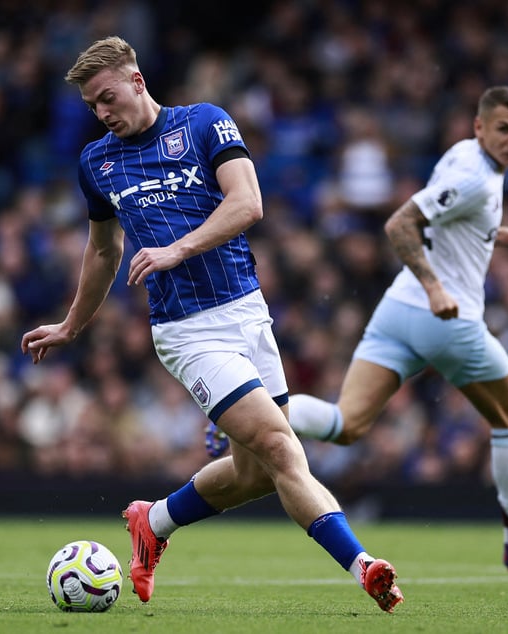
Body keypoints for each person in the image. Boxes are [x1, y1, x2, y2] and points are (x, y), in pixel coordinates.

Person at [20, 36, 403, 613]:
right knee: (281, 446)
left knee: (254, 473)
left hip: (248, 312)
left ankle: (155, 520)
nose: (101, 114)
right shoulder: (96, 162)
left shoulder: (203, 124)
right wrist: (72, 326)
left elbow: (248, 202)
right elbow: (103, 251)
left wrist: (176, 248)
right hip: (186, 330)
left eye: (106, 98)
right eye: (92, 106)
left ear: (137, 82)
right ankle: (364, 566)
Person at [281, 85, 508, 571]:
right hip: (445, 319)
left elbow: (451, 219)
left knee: (345, 423)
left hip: (397, 311)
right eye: (504, 128)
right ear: (480, 127)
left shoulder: (465, 157)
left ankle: (252, 416)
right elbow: (400, 225)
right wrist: (436, 287)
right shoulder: (478, 177)